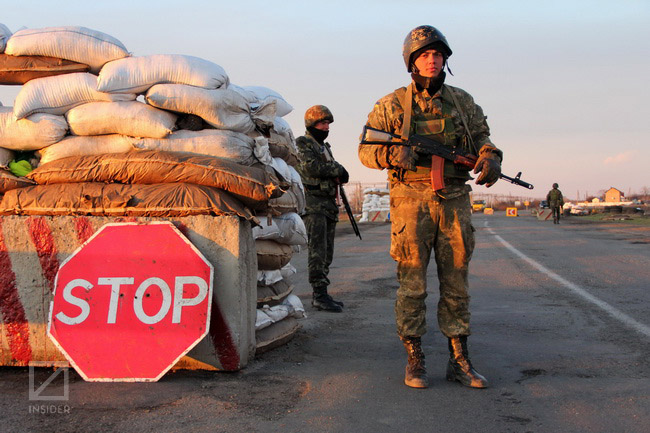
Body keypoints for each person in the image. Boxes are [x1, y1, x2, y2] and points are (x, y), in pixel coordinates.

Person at [358, 25, 503, 389]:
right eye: (424, 54)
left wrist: (490, 157)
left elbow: (484, 139)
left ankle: (459, 359)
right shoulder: (391, 105)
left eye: (437, 54)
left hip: (453, 199)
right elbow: (365, 150)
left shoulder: (462, 102)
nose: (432, 59)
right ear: (412, 61)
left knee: (457, 283)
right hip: (410, 202)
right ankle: (415, 357)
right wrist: (395, 153)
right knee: (413, 284)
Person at [295, 105, 349, 313]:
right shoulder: (303, 143)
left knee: (327, 252)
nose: (326, 127)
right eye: (322, 123)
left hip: (328, 203)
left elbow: (327, 168)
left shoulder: (324, 147)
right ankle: (318, 295)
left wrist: (338, 173)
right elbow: (310, 167)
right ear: (312, 124)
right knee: (317, 252)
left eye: (328, 123)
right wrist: (338, 169)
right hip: (314, 203)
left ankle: (323, 292)